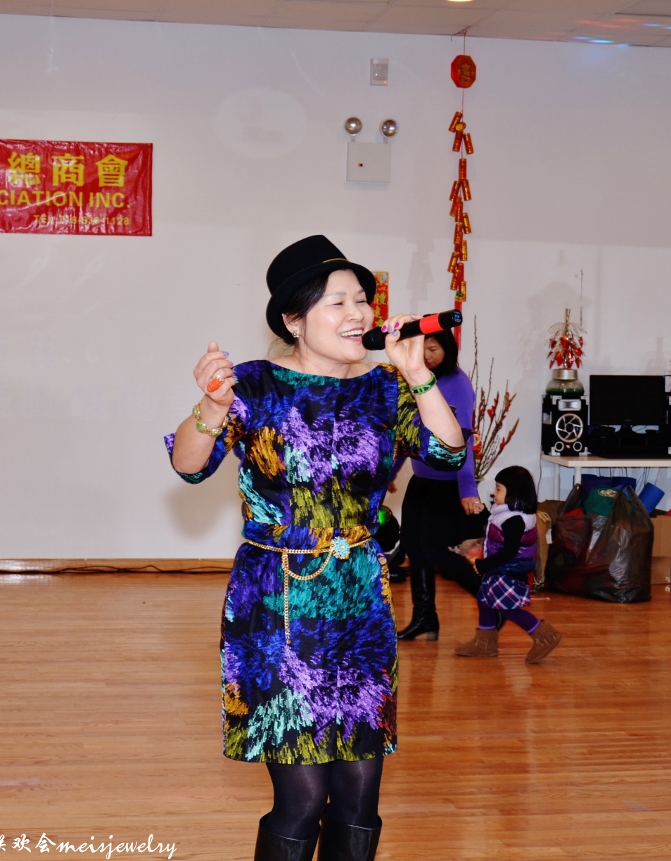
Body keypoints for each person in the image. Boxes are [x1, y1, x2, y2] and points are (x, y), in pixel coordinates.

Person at [165, 235, 467, 861]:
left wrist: (419, 376)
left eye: (362, 300)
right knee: (301, 798)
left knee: (360, 793)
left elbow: (446, 452)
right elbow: (189, 465)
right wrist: (212, 406)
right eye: (338, 302)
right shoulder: (255, 384)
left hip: (359, 600)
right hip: (277, 604)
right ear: (294, 320)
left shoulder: (385, 387)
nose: (357, 314)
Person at [395, 328, 482, 641]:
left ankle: (491, 602)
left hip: (447, 485)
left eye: (433, 349)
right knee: (414, 549)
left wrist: (468, 489)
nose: (427, 356)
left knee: (435, 552)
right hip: (420, 482)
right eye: (423, 350)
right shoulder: (416, 380)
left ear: (447, 349)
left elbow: (463, 440)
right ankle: (425, 618)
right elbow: (408, 435)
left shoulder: (457, 384)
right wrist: (390, 475)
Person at [454, 465, 562, 664]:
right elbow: (495, 530)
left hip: (508, 571)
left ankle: (544, 635)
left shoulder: (516, 520)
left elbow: (510, 551)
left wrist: (485, 564)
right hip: (501, 569)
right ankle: (485, 643)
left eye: (498, 489)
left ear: (514, 493)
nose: (494, 493)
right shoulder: (508, 513)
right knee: (484, 599)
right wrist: (482, 512)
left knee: (506, 608)